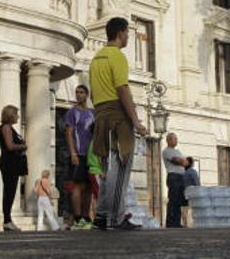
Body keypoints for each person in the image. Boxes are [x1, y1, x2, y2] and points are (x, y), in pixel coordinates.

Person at [89, 17, 148, 231]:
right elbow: (123, 89)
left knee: (106, 169)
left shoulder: (96, 58)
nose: (129, 37)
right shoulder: (118, 57)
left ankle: (102, 216)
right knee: (121, 166)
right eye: (128, 33)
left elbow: (94, 93)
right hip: (118, 116)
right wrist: (135, 121)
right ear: (121, 33)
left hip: (100, 115)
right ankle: (116, 216)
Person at [65, 84, 95, 229]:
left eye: (81, 92)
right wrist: (73, 153)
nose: (79, 95)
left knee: (89, 186)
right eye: (77, 92)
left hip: (91, 155)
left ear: (87, 95)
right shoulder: (72, 112)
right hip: (78, 153)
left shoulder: (92, 113)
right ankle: (77, 218)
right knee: (77, 186)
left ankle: (86, 216)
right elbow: (69, 133)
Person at [0, 104, 27, 231]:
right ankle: (7, 220)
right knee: (9, 191)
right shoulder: (6, 128)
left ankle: (8, 220)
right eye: (16, 114)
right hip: (9, 162)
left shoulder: (10, 128)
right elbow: (10, 146)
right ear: (10, 115)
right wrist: (23, 146)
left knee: (11, 191)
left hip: (13, 162)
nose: (18, 116)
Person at [162, 133, 188, 228]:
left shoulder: (178, 151)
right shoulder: (166, 151)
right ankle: (170, 222)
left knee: (179, 200)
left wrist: (182, 161)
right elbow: (176, 161)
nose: (176, 141)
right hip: (173, 176)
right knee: (173, 199)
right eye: (174, 139)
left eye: (176, 139)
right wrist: (182, 161)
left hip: (181, 176)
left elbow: (185, 162)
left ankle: (177, 222)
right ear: (168, 140)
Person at [181, 156, 200, 227]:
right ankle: (188, 224)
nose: (183, 163)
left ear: (190, 163)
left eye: (185, 162)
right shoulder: (192, 172)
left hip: (186, 193)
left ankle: (185, 224)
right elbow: (197, 183)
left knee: (185, 209)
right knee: (189, 209)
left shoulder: (185, 172)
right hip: (191, 193)